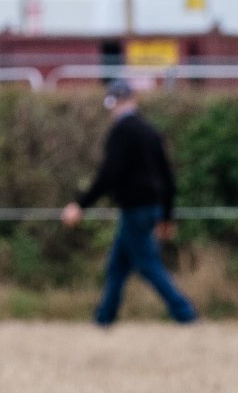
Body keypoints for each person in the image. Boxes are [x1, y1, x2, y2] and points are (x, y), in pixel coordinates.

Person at [61, 83, 199, 327]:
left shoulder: (122, 131)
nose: (113, 110)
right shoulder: (150, 132)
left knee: (148, 265)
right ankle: (104, 318)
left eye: (115, 103)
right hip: (150, 208)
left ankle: (185, 313)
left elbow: (109, 173)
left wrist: (81, 205)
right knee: (117, 267)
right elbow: (167, 178)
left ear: (126, 101)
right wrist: (166, 216)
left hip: (136, 209)